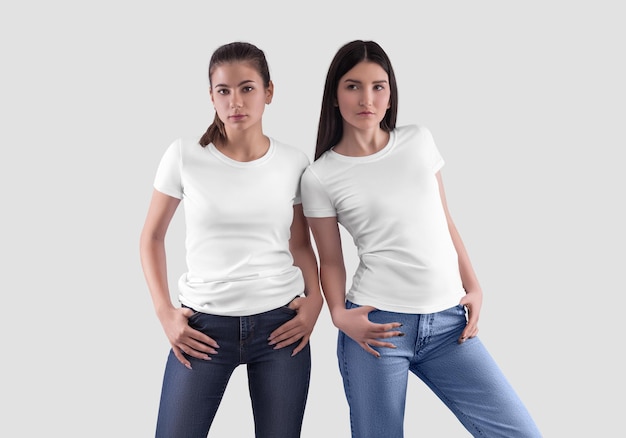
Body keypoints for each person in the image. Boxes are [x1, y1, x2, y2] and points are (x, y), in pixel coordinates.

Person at [300, 40, 542, 438]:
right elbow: (330, 259)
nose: (367, 98)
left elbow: (444, 220)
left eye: (378, 86)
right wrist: (339, 315)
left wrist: (475, 285)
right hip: (378, 329)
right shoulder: (321, 176)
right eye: (353, 86)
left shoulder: (418, 141)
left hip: (449, 325)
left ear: (391, 93)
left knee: (520, 432)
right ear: (334, 95)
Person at [139, 41, 323, 438]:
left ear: (269, 92)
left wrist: (315, 302)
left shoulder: (293, 162)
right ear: (211, 96)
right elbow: (152, 237)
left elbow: (300, 244)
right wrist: (164, 313)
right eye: (223, 90)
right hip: (202, 328)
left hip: (280, 327)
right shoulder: (184, 155)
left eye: (247, 88)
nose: (235, 101)